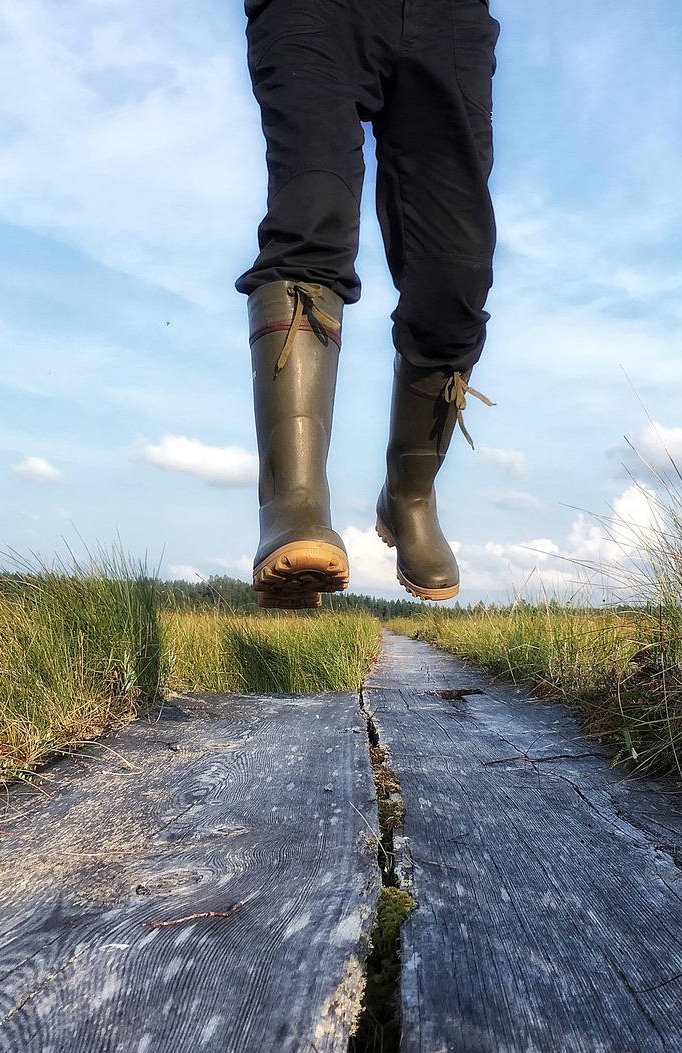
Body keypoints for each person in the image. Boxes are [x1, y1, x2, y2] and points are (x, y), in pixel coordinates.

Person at [237, 0, 500, 608]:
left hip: (448, 18)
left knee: (456, 275)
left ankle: (409, 495)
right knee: (310, 221)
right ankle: (295, 503)